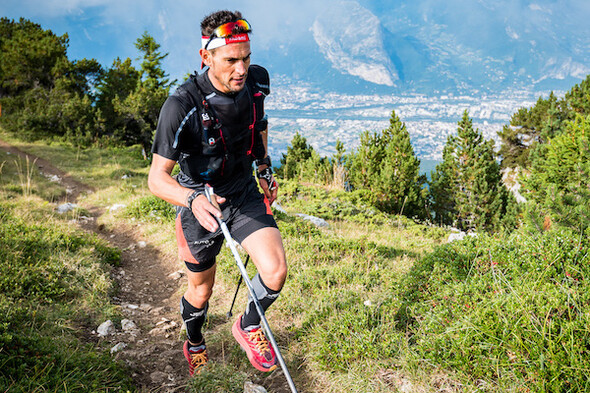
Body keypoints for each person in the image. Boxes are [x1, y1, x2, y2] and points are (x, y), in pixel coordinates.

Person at [147, 10, 287, 376]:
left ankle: (249, 325)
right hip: (199, 200)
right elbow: (156, 179)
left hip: (242, 192)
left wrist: (263, 167)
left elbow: (259, 126)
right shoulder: (181, 106)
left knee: (275, 271)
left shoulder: (256, 84)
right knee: (201, 292)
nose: (241, 69)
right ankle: (194, 341)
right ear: (206, 57)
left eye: (246, 58)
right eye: (231, 61)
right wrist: (193, 200)